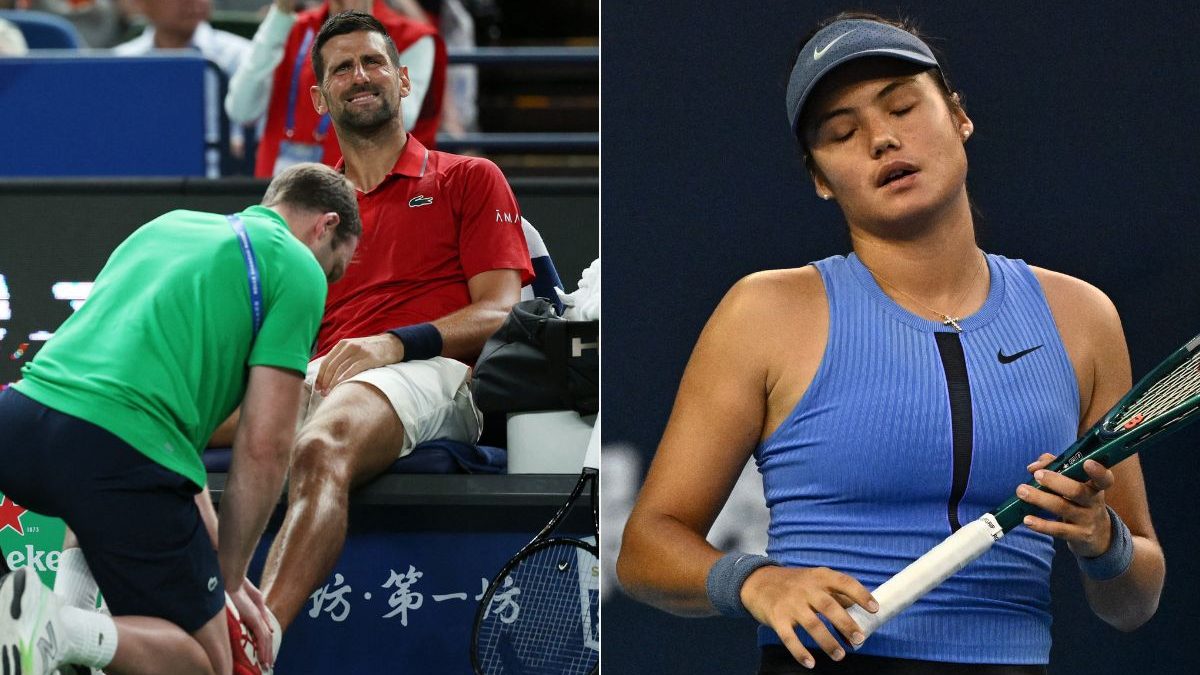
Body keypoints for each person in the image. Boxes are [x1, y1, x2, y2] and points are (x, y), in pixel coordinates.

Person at [617, 12, 1165, 675]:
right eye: (841, 133)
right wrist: (760, 582)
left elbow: (1133, 599)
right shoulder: (762, 311)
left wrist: (1103, 541)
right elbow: (646, 548)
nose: (881, 139)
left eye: (903, 106)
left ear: (959, 116)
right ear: (820, 179)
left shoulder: (1082, 317)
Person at [209, 9, 530, 656]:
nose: (361, 76)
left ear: (403, 80)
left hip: (430, 373)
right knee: (140, 418)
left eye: (374, 62)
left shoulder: (467, 178)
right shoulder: (298, 212)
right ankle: (78, 623)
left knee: (322, 445)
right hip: (318, 371)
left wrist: (393, 343)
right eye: (342, 68)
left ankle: (252, 646)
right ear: (319, 97)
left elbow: (500, 313)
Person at [0, 162, 361, 675]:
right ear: (324, 226)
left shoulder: (166, 225)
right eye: (334, 269)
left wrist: (211, 555)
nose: (327, 281)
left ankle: (52, 639)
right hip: (113, 451)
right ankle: (55, 629)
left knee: (95, 511)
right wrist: (230, 579)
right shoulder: (298, 268)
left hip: (21, 423)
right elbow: (264, 446)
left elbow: (162, 442)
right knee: (204, 661)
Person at [225, 0, 446, 178]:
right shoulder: (290, 27)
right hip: (279, 197)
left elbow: (400, 118)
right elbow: (240, 109)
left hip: (363, 195)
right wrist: (280, 12)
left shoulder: (411, 37)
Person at [115, 0, 253, 165]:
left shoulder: (245, 57)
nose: (194, 2)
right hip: (136, 183)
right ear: (141, 3)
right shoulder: (116, 62)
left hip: (222, 185)